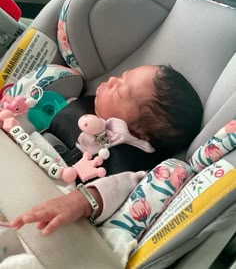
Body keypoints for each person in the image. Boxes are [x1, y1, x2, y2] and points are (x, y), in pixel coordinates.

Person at [10, 64, 203, 236]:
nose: (111, 80)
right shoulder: (80, 107)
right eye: (119, 76)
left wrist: (81, 201)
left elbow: (120, 186)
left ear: (140, 132)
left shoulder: (133, 161)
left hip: (43, 194)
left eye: (119, 90)